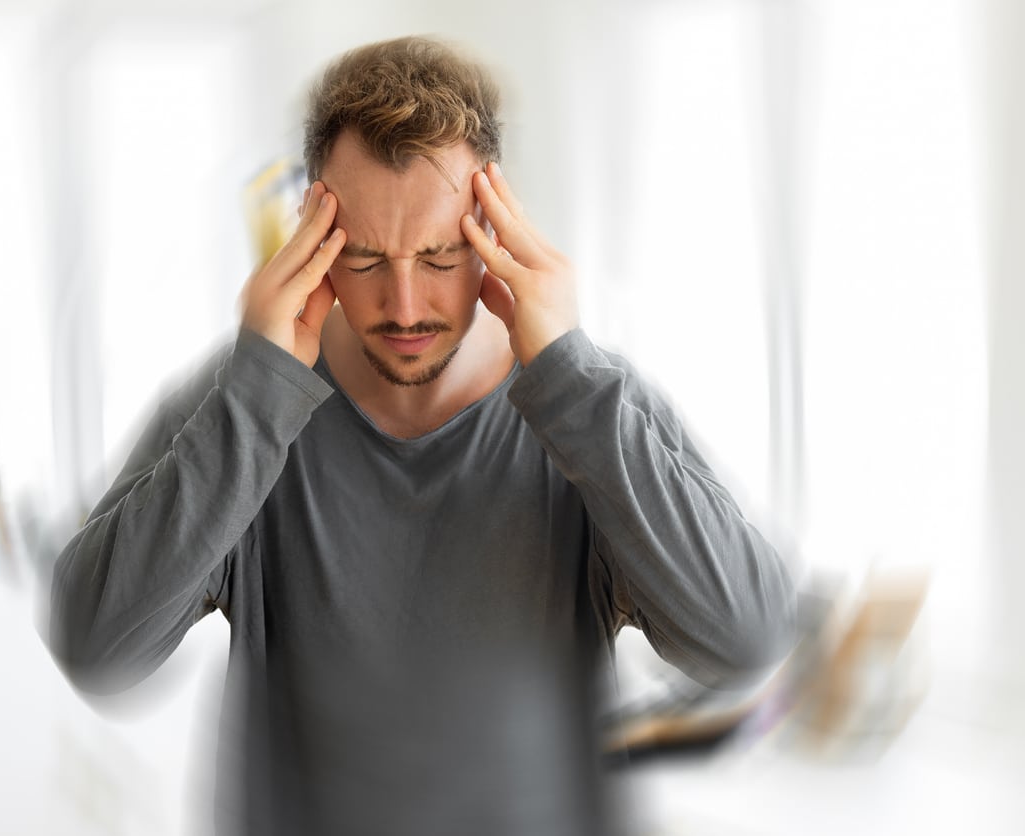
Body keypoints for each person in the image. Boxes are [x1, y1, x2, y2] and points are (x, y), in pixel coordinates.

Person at [49, 35, 795, 836]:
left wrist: (571, 378)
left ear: (492, 232)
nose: (404, 304)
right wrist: (258, 396)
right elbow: (97, 648)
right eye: (365, 258)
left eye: (440, 255)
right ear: (312, 237)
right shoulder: (243, 404)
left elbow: (744, 641)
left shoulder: (591, 407)